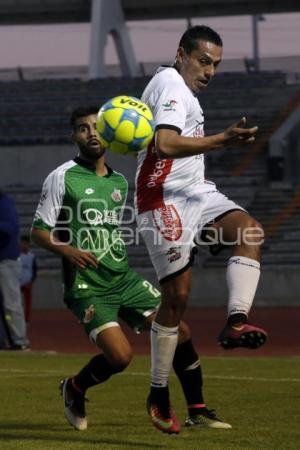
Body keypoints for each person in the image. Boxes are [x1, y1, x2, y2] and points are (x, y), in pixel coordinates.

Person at [31, 106, 231, 434]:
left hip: (124, 279)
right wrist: (68, 249)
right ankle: (74, 388)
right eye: (83, 128)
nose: (91, 133)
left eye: (97, 127)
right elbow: (38, 231)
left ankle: (198, 410)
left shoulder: (120, 181)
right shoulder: (62, 176)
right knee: (121, 357)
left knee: (181, 332)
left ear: (109, 133)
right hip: (87, 286)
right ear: (74, 136)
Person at [135, 25, 267, 433]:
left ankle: (236, 321)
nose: (210, 70)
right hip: (162, 198)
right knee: (177, 299)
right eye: (204, 61)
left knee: (249, 231)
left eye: (216, 65)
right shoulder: (172, 84)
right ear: (182, 55)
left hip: (196, 193)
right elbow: (166, 145)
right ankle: (158, 392)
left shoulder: (182, 89)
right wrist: (223, 140)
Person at [0, 190, 30, 350]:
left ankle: (19, 340)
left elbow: (9, 227)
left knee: (11, 302)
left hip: (6, 260)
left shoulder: (4, 202)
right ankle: (5, 339)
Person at [19, 235, 38, 323]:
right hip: (18, 282)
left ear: (28, 244)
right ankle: (18, 319)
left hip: (27, 282)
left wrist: (31, 281)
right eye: (22, 243)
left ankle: (26, 320)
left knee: (27, 303)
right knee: (17, 302)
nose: (24, 245)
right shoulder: (17, 256)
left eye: (25, 243)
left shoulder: (32, 256)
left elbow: (35, 270)